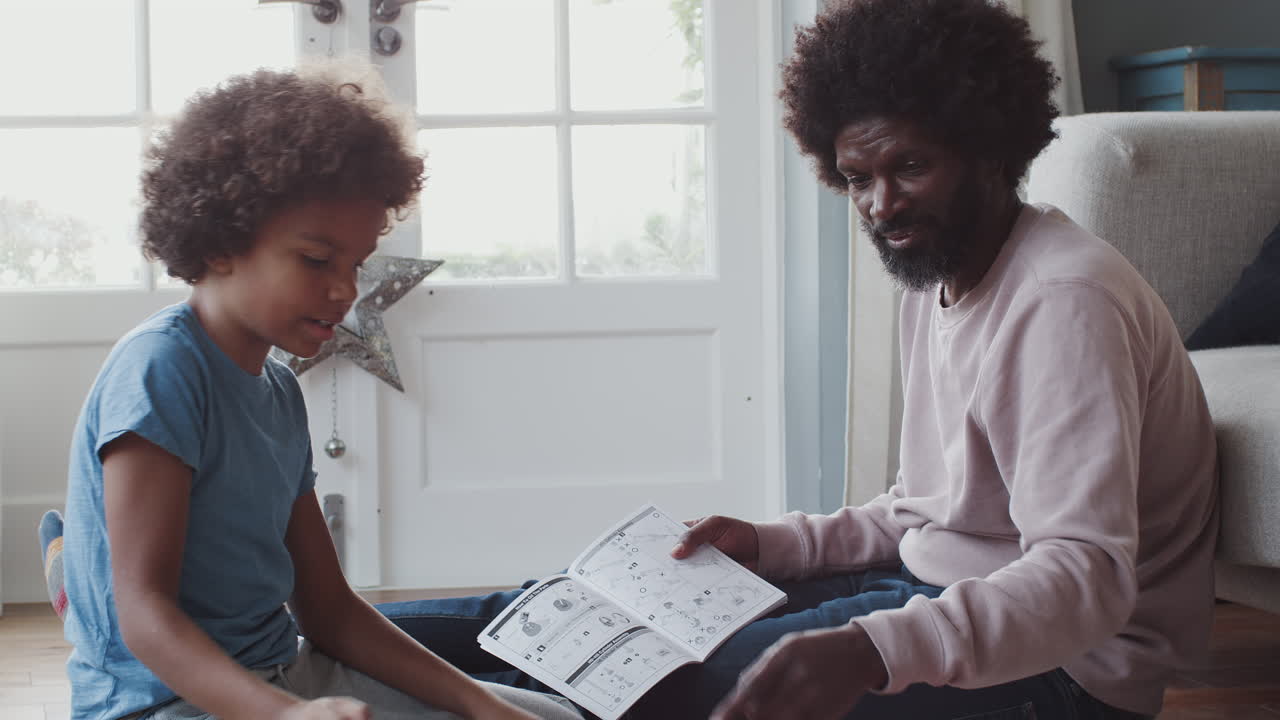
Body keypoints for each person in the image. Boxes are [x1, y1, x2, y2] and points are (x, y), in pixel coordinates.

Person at [375, 1, 1220, 719]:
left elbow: (1085, 579)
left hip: (1067, 673)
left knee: (636, 683)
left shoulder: (1063, 300)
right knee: (559, 616)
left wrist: (867, 650)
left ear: (991, 149)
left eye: (910, 166)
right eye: (857, 178)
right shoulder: (940, 271)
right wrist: (772, 544)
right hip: (930, 594)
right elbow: (927, 512)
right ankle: (307, 646)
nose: (882, 205)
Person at [60, 61, 582, 720]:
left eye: (355, 265)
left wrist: (481, 704)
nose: (344, 290)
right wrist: (284, 715)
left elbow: (329, 610)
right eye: (315, 259)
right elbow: (144, 615)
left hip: (289, 670)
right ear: (220, 242)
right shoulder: (161, 370)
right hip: (167, 702)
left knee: (550, 717)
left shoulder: (278, 390)